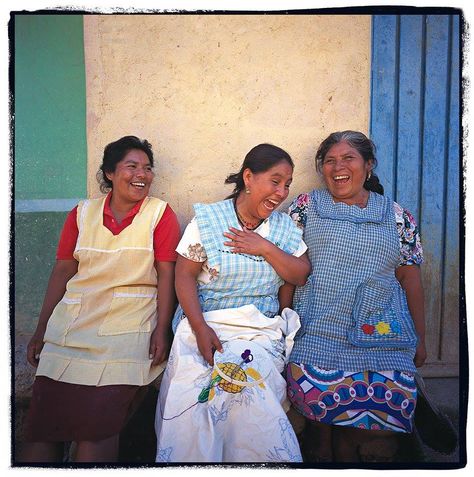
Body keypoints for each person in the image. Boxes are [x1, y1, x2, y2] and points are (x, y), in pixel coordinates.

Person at [22, 136, 181, 463]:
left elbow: (168, 274)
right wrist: (41, 331)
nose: (143, 174)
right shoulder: (81, 214)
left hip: (129, 329)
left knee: (98, 430)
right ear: (109, 172)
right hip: (72, 328)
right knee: (41, 426)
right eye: (132, 166)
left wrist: (162, 329)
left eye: (148, 168)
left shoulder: (159, 214)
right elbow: (62, 271)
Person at [154, 144, 311, 463]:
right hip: (206, 324)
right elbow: (184, 276)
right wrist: (199, 328)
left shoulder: (283, 228)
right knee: (195, 393)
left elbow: (300, 274)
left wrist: (264, 247)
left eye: (287, 184)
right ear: (249, 177)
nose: (281, 192)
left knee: (245, 386)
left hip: (258, 331)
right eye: (275, 181)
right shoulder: (209, 220)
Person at [285, 131, 426, 463]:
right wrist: (283, 322)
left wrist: (420, 338)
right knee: (318, 435)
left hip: (381, 336)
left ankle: (348, 450)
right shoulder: (306, 208)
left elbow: (410, 279)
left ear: (369, 165)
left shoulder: (396, 216)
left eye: (348, 158)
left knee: (366, 433)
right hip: (316, 335)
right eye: (330, 161)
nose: (338, 167)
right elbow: (287, 269)